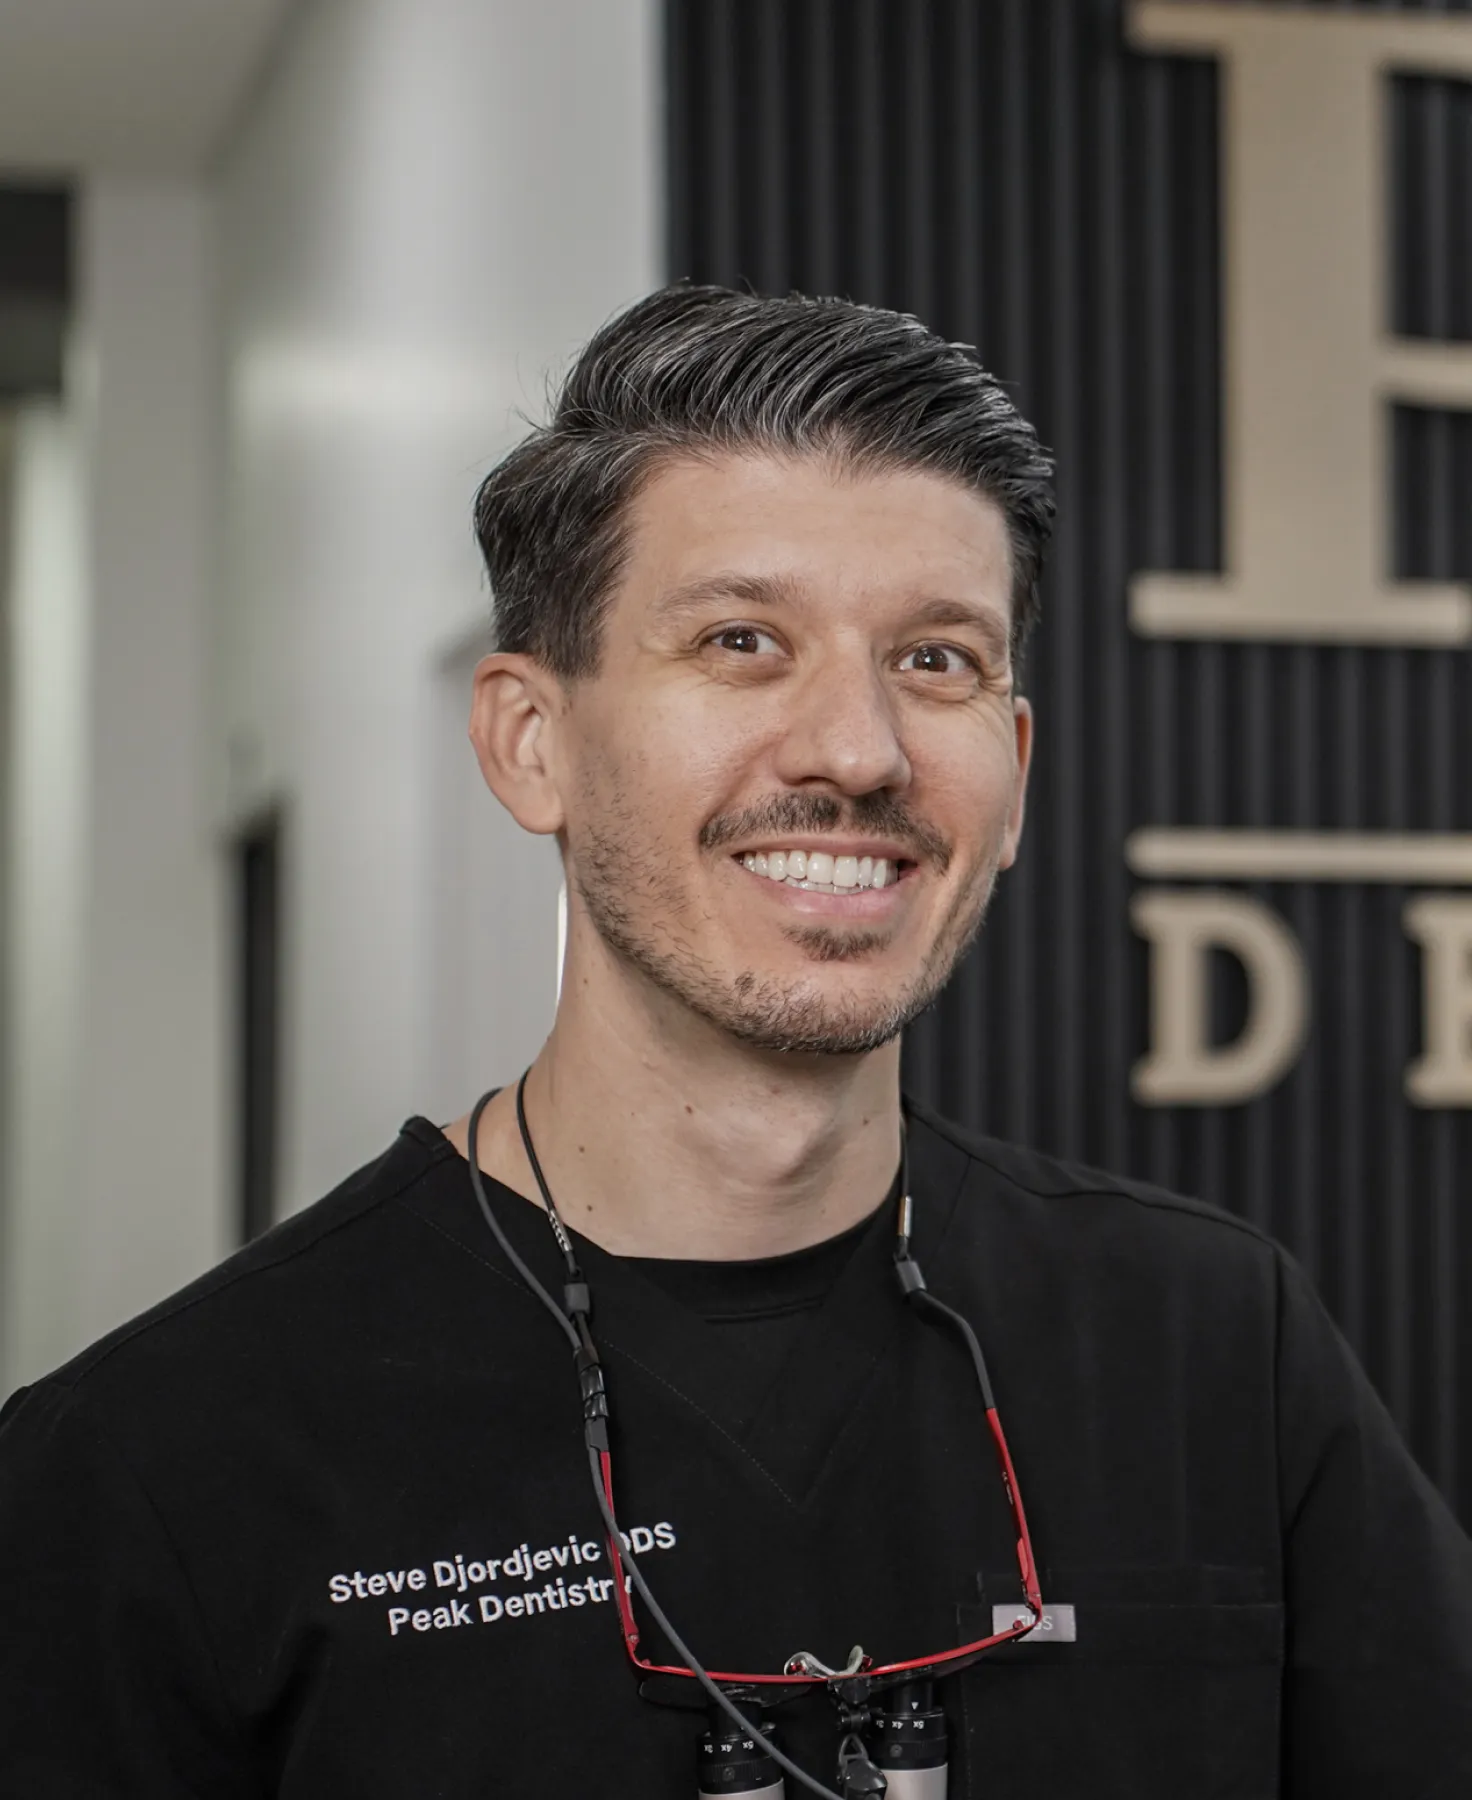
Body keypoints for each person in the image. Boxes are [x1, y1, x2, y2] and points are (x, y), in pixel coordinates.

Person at [1, 284, 1469, 1800]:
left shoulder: (1214, 1346)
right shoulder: (160, 1463)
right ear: (531, 741)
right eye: (744, 640)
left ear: (1015, 775)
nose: (858, 748)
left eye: (939, 660)